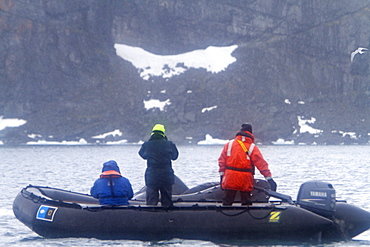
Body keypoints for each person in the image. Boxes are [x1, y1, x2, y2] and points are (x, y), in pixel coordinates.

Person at [218, 123, 277, 206]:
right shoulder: (252, 147)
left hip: (230, 177)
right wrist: (269, 179)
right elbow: (261, 164)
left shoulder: (229, 145)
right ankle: (246, 216)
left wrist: (222, 176)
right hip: (245, 179)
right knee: (246, 203)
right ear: (250, 133)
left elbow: (221, 161)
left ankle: (224, 216)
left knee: (227, 201)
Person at [138, 124, 179, 207]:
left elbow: (142, 155)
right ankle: (167, 217)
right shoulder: (169, 144)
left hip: (152, 175)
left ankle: (151, 217)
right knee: (167, 199)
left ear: (152, 133)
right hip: (166, 174)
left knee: (151, 199)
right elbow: (175, 157)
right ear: (163, 133)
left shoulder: (147, 145)